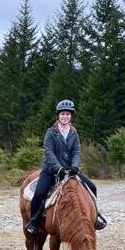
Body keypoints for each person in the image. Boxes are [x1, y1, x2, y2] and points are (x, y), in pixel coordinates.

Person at [25, 99, 107, 234]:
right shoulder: (50, 133)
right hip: (51, 170)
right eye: (62, 114)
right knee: (39, 194)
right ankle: (34, 221)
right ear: (58, 115)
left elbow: (76, 151)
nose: (65, 117)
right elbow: (49, 152)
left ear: (71, 116)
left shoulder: (74, 133)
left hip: (70, 170)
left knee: (92, 187)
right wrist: (58, 168)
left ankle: (95, 216)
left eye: (68, 114)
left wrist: (74, 166)